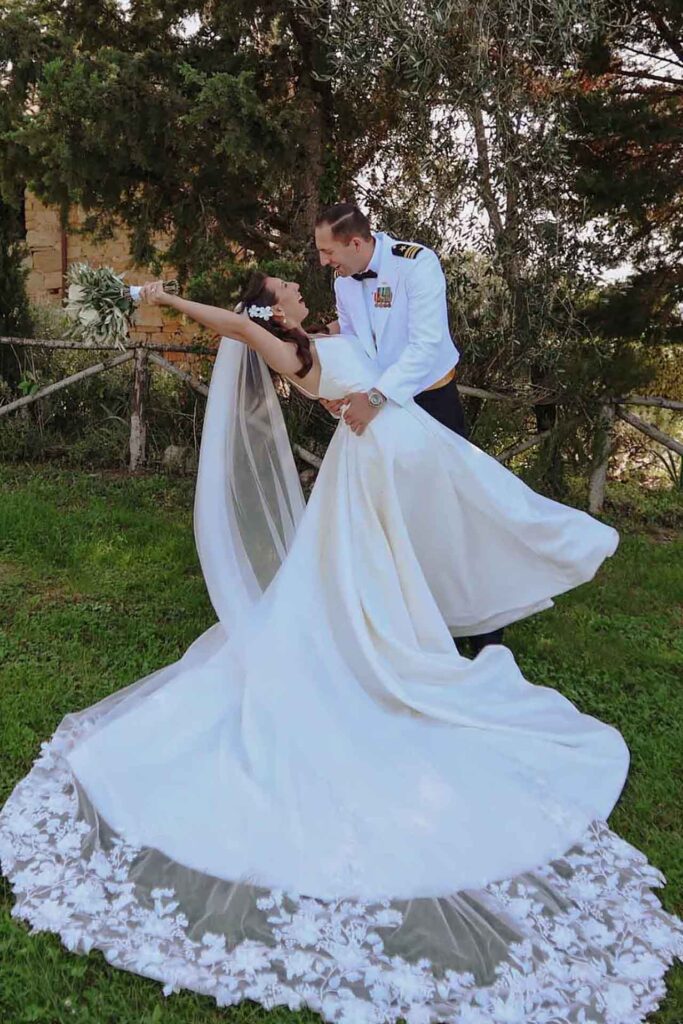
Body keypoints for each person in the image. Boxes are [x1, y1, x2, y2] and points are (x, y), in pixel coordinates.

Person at [1, 273, 681, 1024]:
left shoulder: (319, 329)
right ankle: (370, 650)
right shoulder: (279, 343)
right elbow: (231, 323)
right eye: (283, 284)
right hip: (361, 483)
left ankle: (447, 599)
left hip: (385, 468)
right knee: (360, 586)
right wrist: (164, 301)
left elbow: (392, 340)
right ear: (272, 307)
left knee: (430, 549)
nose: (296, 282)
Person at [315, 203, 504, 656]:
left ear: (355, 243)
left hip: (432, 401)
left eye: (328, 251)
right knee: (399, 513)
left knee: (453, 512)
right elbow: (360, 343)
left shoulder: (416, 263)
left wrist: (375, 398)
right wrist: (339, 387)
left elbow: (426, 345)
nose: (324, 262)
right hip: (382, 409)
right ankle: (421, 622)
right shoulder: (344, 281)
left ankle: (485, 628)